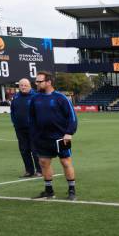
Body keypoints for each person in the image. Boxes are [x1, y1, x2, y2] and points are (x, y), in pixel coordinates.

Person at [29, 71, 77, 200]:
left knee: (65, 162)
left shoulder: (61, 98)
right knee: (44, 162)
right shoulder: (35, 98)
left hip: (61, 137)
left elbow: (72, 117)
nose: (37, 84)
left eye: (39, 81)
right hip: (43, 138)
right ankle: (49, 191)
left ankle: (72, 190)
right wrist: (34, 135)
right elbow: (32, 118)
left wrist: (69, 133)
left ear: (49, 82)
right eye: (36, 81)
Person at [11, 79, 42, 178]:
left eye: (25, 85)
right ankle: (29, 170)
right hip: (19, 128)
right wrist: (14, 123)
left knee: (35, 150)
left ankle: (40, 170)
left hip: (33, 128)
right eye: (21, 85)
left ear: (30, 86)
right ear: (19, 86)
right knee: (24, 150)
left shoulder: (36, 96)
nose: (23, 87)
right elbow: (12, 111)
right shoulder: (15, 97)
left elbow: (40, 112)